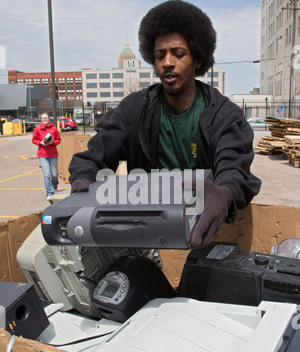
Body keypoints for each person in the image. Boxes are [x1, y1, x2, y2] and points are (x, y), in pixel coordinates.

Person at [68, 0, 261, 248]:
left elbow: (234, 168)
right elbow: (95, 154)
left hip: (203, 236)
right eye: (160, 56)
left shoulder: (223, 115)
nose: (167, 62)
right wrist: (83, 180)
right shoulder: (134, 110)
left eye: (178, 54)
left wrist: (223, 195)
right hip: (149, 239)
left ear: (198, 59)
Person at [32, 113, 61, 200]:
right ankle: (49, 192)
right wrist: (39, 143)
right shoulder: (37, 129)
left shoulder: (54, 129)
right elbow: (34, 140)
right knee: (47, 175)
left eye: (46, 118)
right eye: (43, 118)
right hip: (42, 155)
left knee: (54, 174)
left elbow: (58, 140)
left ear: (49, 119)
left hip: (53, 154)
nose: (45, 119)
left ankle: (55, 186)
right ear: (41, 119)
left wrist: (53, 142)